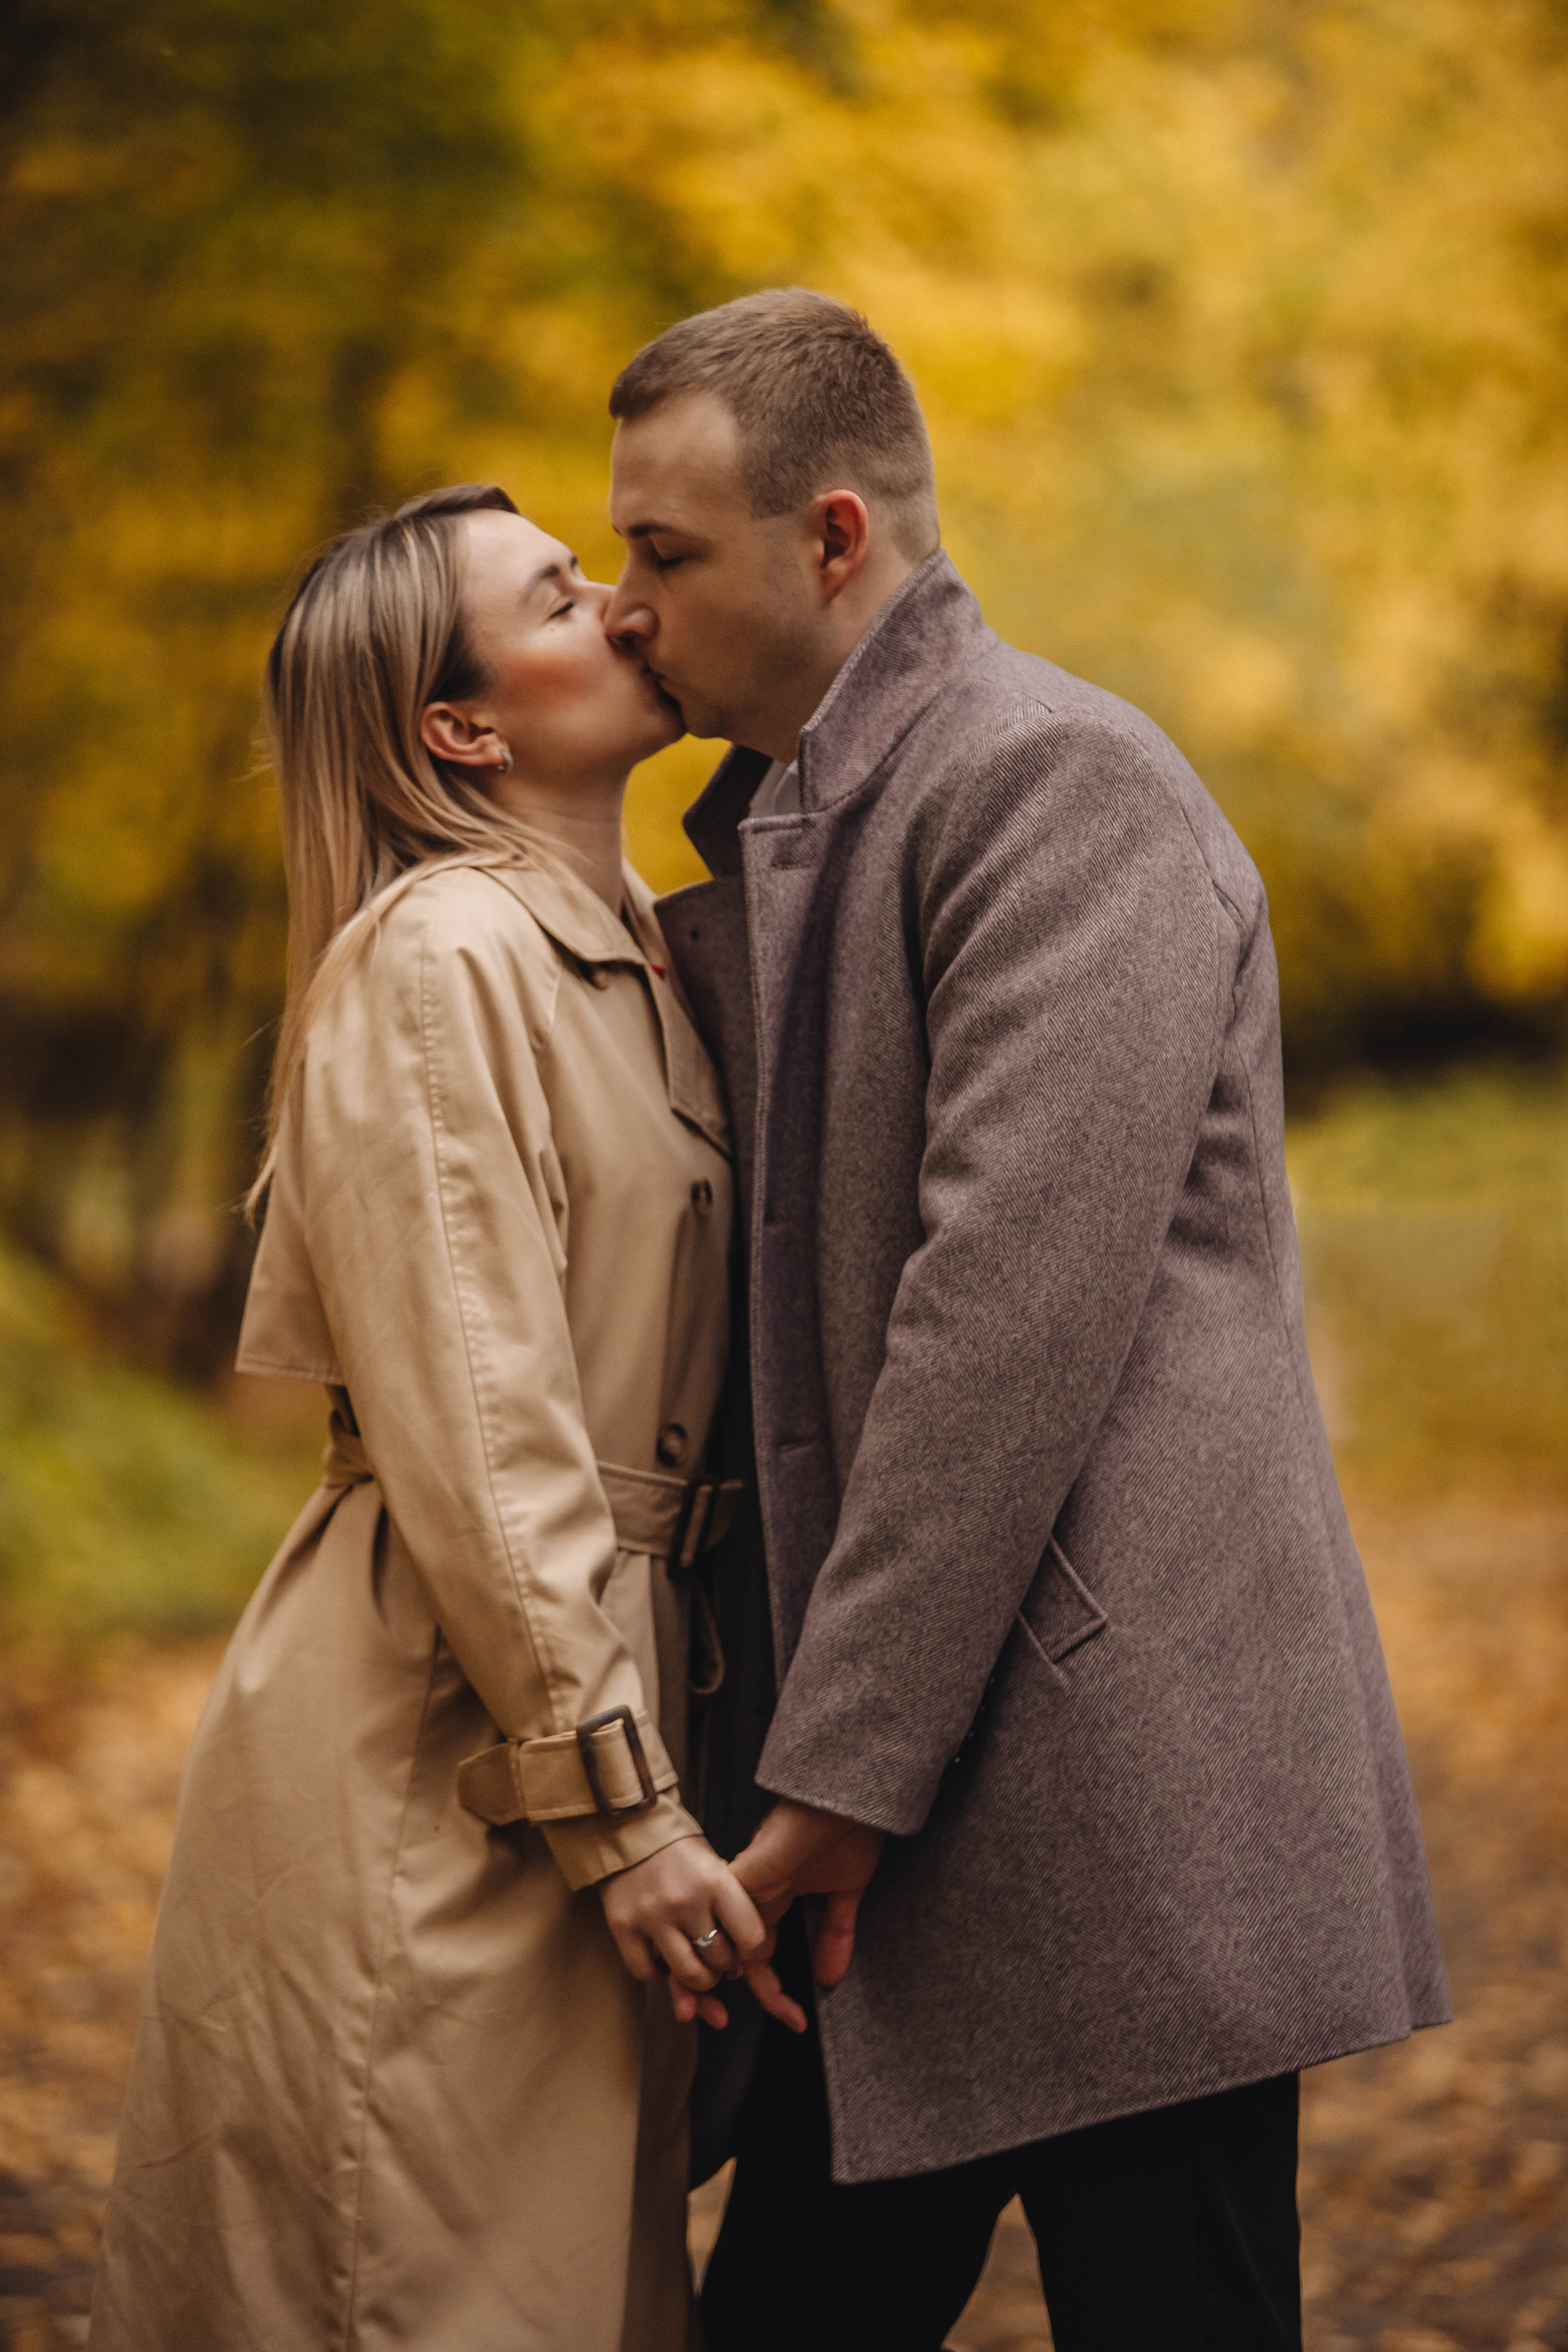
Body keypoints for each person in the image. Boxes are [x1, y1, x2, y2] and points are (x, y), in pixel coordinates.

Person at [602, 291, 1452, 2351]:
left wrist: (838, 1780)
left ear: (831, 540)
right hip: (890, 1796)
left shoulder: (1056, 785)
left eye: (663, 551)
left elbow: (1000, 1324)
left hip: (1111, 1808)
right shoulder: (815, 817)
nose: (625, 608)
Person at [89, 483, 793, 2352]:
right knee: (423, 2291)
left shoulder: (636, 937)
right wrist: (620, 1804)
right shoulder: (438, 960)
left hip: (588, 1705)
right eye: (563, 597)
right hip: (454, 1739)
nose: (626, 607)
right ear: (462, 730)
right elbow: (485, 1426)